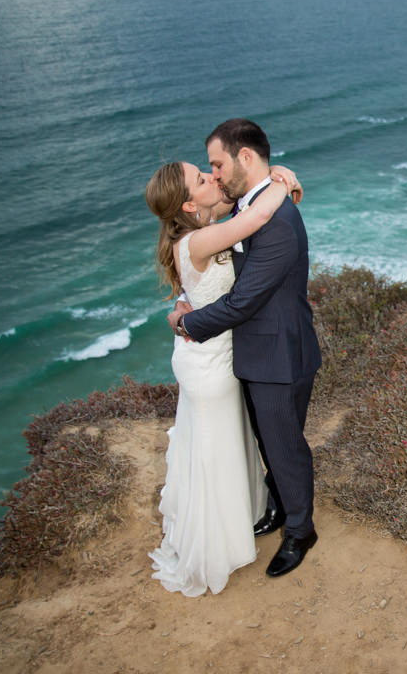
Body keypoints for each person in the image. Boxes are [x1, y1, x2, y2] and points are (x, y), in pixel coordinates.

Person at [168, 118, 322, 579]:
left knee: (285, 447)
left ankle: (300, 530)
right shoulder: (248, 207)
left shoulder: (274, 223)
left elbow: (242, 301)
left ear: (245, 158)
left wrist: (187, 324)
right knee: (269, 444)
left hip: (279, 356)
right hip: (256, 354)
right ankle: (279, 506)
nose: (215, 175)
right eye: (208, 171)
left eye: (217, 165)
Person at [143, 156, 302, 596]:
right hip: (210, 365)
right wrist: (282, 180)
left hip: (210, 354)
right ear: (191, 206)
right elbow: (260, 214)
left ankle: (241, 523)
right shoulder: (201, 240)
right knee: (216, 452)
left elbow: (187, 295)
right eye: (201, 178)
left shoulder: (193, 238)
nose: (213, 177)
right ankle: (214, 547)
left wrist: (177, 313)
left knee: (224, 446)